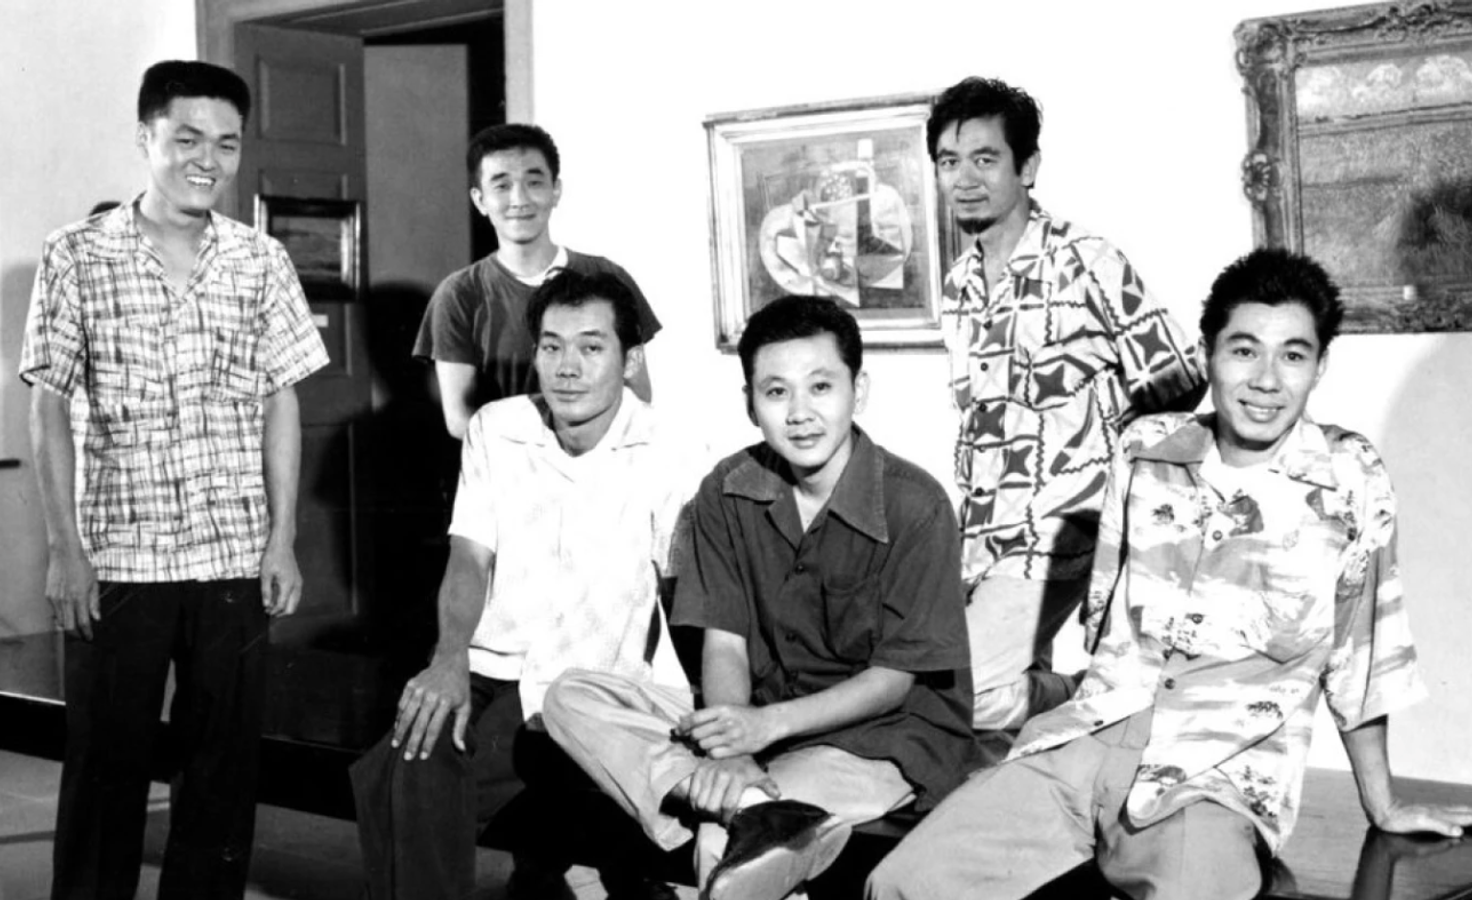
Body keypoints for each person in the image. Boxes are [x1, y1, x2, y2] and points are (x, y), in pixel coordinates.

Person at [867, 248, 1472, 900]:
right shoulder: (1144, 451)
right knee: (899, 885)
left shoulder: (1349, 478)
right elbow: (1105, 622)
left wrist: (1384, 805)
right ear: (1207, 353)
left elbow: (1360, 654)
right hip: (1085, 742)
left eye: (1292, 355)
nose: (1265, 379)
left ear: (1319, 368)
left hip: (1215, 774)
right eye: (1244, 350)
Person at [541, 295, 981, 900]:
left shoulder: (915, 505)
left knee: (728, 846)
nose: (800, 414)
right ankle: (750, 800)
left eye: (820, 387)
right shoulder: (726, 489)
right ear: (750, 403)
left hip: (881, 737)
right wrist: (730, 748)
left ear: (861, 390)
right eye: (776, 393)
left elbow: (894, 681)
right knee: (572, 696)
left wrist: (760, 730)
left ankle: (748, 808)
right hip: (761, 722)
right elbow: (725, 641)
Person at [20, 60, 329, 900]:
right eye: (187, 138)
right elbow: (47, 409)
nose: (208, 159)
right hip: (117, 562)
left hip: (231, 560)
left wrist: (281, 539)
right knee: (103, 768)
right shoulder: (76, 254)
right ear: (145, 138)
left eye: (226, 143)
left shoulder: (261, 262)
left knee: (222, 775)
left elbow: (281, 405)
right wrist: (65, 548)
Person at [350, 268, 700, 900]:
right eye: (551, 346)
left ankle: (563, 877)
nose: (568, 366)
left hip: (592, 686)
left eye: (592, 348)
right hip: (495, 670)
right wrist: (449, 657)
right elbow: (468, 558)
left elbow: (683, 594)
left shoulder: (668, 448)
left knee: (423, 778)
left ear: (630, 359)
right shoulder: (497, 428)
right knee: (409, 758)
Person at [927, 77, 1208, 732]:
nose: (964, 179)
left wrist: (1111, 472)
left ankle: (1091, 691)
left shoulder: (1089, 262)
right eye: (948, 162)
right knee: (985, 726)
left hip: (1063, 530)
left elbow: (1175, 376)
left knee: (957, 695)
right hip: (981, 537)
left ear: (1026, 167)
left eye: (984, 159)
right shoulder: (958, 286)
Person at [414, 123, 661, 440]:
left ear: (555, 190)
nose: (519, 199)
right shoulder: (459, 294)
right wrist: (542, 458)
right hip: (506, 474)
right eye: (501, 186)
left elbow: (639, 395)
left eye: (534, 182)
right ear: (479, 200)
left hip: (599, 470)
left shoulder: (607, 278)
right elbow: (460, 420)